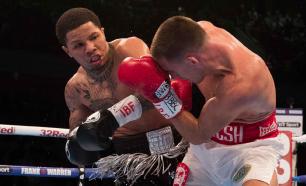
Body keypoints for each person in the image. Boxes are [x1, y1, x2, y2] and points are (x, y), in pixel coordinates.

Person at [117, 16, 284, 186]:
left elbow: (197, 135)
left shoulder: (241, 85)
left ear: (192, 61)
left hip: (250, 149)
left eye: (171, 71)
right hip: (206, 148)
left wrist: (164, 98)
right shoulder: (198, 36)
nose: (171, 77)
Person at [55, 8, 193, 185]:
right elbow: (79, 142)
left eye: (94, 37)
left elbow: (156, 89)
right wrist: (78, 145)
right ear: (68, 51)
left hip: (172, 144)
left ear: (103, 33)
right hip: (128, 160)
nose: (90, 48)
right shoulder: (75, 89)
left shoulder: (129, 48)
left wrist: (113, 116)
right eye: (78, 45)